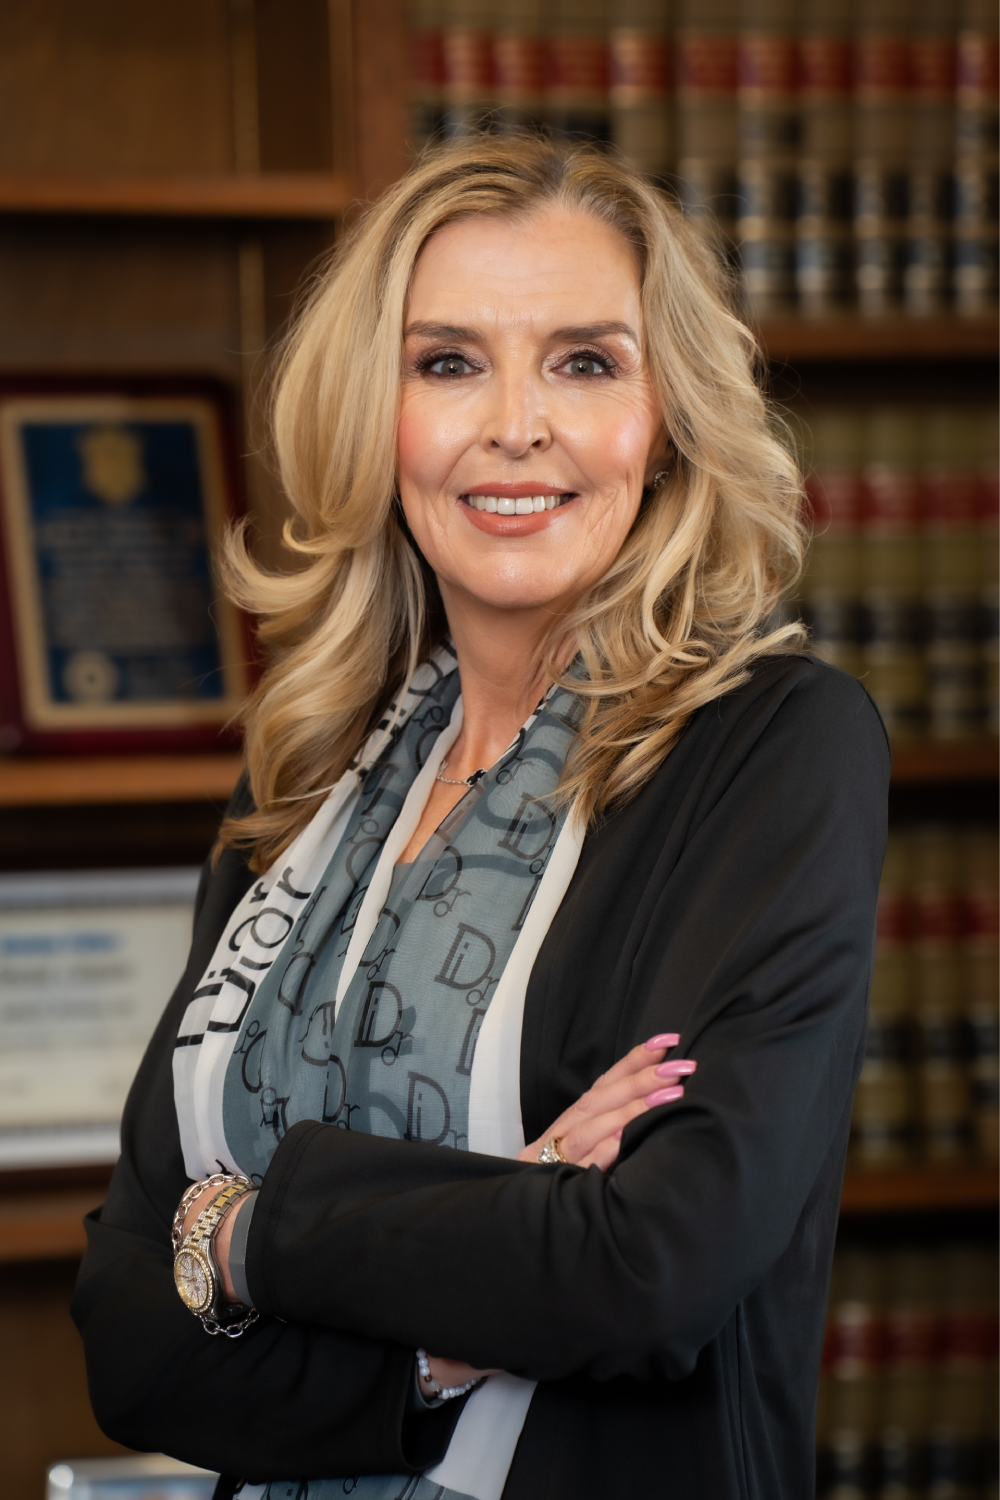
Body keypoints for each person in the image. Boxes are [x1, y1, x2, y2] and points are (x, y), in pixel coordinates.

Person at [73, 136, 888, 1500]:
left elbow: (645, 1274)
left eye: (586, 361)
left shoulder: (773, 751)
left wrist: (240, 1237)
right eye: (448, 361)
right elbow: (127, 1345)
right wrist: (487, 1254)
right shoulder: (303, 778)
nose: (519, 423)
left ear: (668, 415)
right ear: (371, 413)